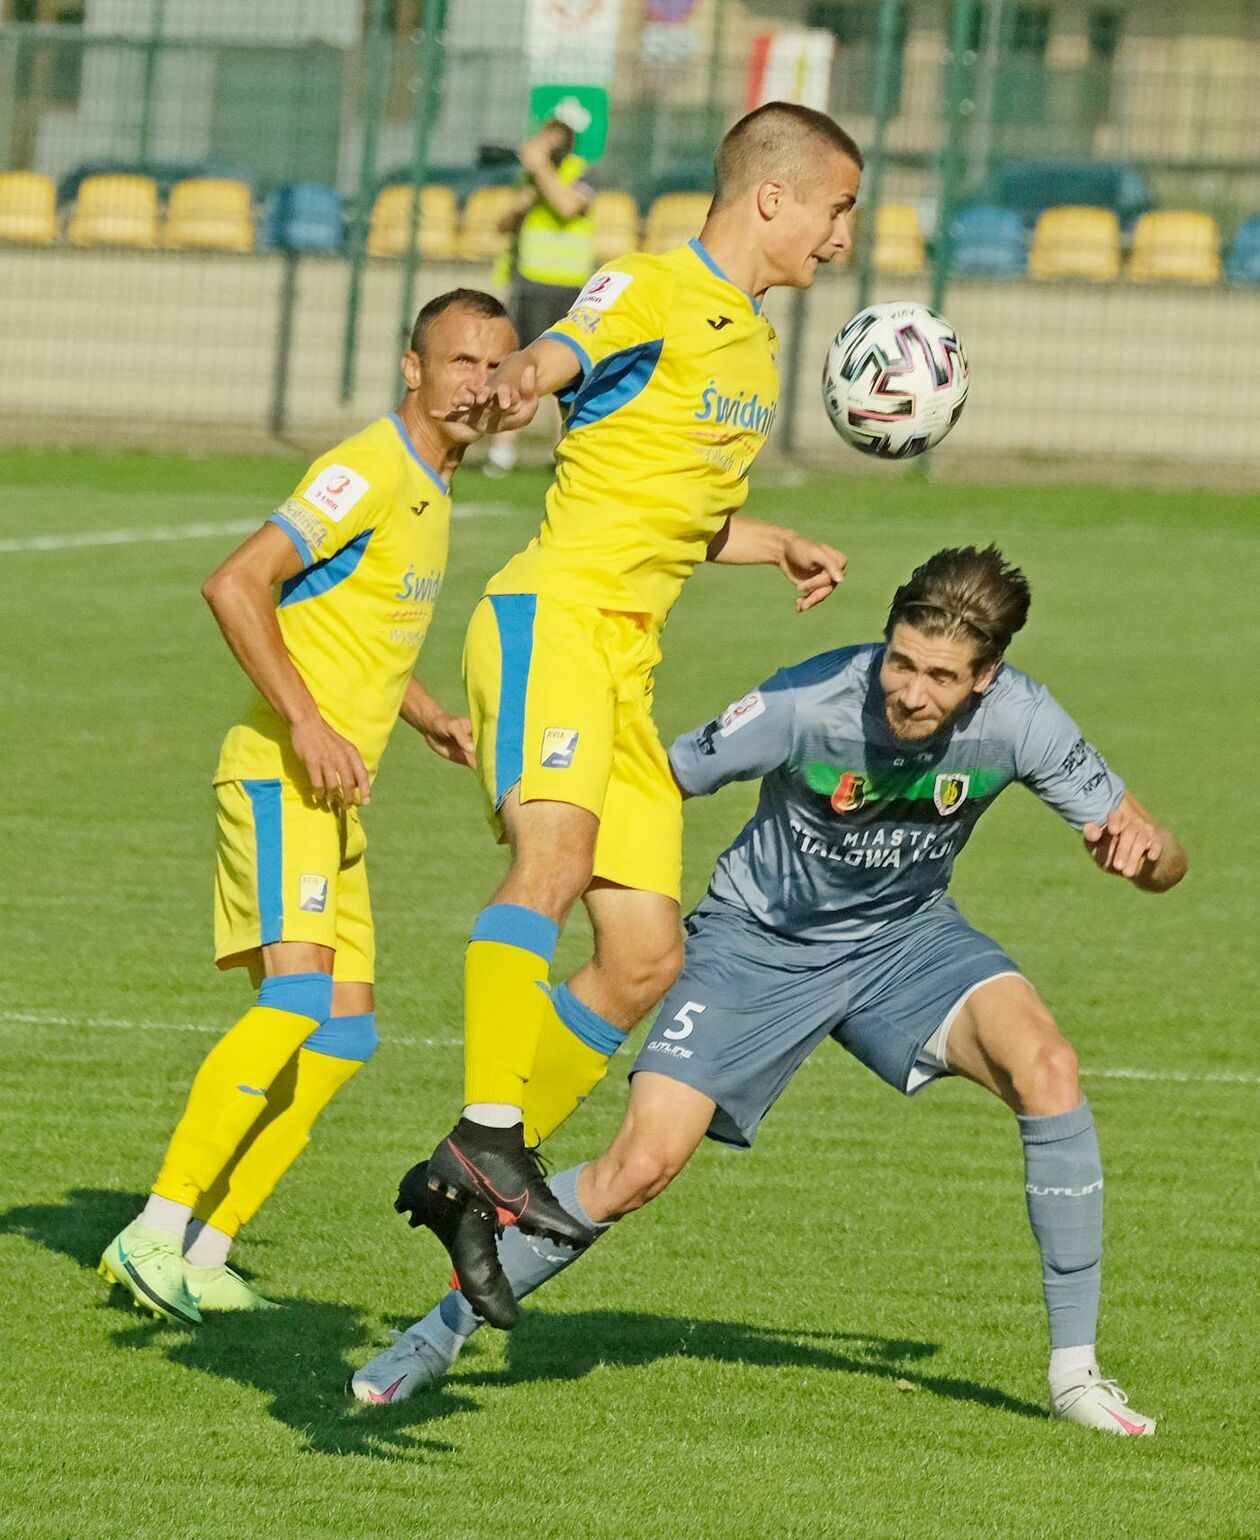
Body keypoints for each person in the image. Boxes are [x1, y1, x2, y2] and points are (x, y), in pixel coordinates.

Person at [356, 546, 1185, 1437]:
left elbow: (1162, 859)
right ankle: (434, 1336)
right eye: (900, 662)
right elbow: (659, 778)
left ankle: (1075, 1375)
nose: (909, 692)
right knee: (638, 1168)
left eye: (940, 677)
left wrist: (1142, 858)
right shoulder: (805, 700)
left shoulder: (1027, 721)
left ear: (987, 677)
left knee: (1049, 1067)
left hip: (905, 941)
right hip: (752, 948)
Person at [399, 102, 862, 1325]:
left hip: (627, 664)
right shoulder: (649, 285)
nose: (842, 238)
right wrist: (512, 382)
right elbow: (562, 354)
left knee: (645, 956)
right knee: (549, 861)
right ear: (774, 197)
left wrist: (774, 544)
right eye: (837, 208)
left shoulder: (754, 348)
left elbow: (672, 508)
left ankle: (476, 1172)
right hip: (549, 624)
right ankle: (492, 1135)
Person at [98, 290, 518, 1325]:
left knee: (343, 1034)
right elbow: (239, 583)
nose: (478, 384)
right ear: (411, 367)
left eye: (496, 367)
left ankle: (205, 1246)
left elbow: (345, 624)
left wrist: (418, 713)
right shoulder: (370, 466)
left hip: (333, 797)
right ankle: (152, 1231)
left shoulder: (433, 485)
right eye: (457, 360)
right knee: (294, 1006)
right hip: (283, 776)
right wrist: (311, 727)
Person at [486, 106, 597, 477]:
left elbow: (568, 206)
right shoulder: (531, 182)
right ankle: (503, 450)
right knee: (517, 362)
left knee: (565, 372)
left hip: (567, 288)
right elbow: (502, 226)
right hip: (529, 283)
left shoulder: (581, 174)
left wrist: (541, 171)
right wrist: (522, 201)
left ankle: (563, 448)